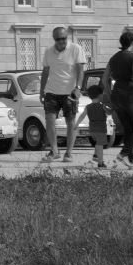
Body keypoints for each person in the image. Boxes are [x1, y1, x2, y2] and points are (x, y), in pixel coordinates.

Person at [38, 26, 84, 163]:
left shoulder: (76, 49)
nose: (61, 41)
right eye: (58, 39)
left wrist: (78, 87)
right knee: (49, 119)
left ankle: (69, 152)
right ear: (54, 39)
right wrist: (42, 91)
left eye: (63, 38)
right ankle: (54, 151)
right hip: (51, 91)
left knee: (70, 121)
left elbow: (80, 69)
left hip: (69, 92)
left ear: (67, 37)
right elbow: (45, 71)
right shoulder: (48, 51)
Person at [107, 29, 133, 167]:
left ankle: (131, 160)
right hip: (129, 94)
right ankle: (123, 153)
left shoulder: (113, 58)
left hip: (116, 95)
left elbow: (105, 79)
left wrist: (110, 95)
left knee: (128, 129)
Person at [72, 84, 111, 168]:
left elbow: (82, 115)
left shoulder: (88, 107)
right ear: (100, 96)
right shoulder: (102, 106)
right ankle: (100, 163)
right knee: (100, 145)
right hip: (100, 129)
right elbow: (109, 112)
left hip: (92, 129)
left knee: (98, 142)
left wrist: (77, 124)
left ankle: (96, 155)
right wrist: (114, 108)